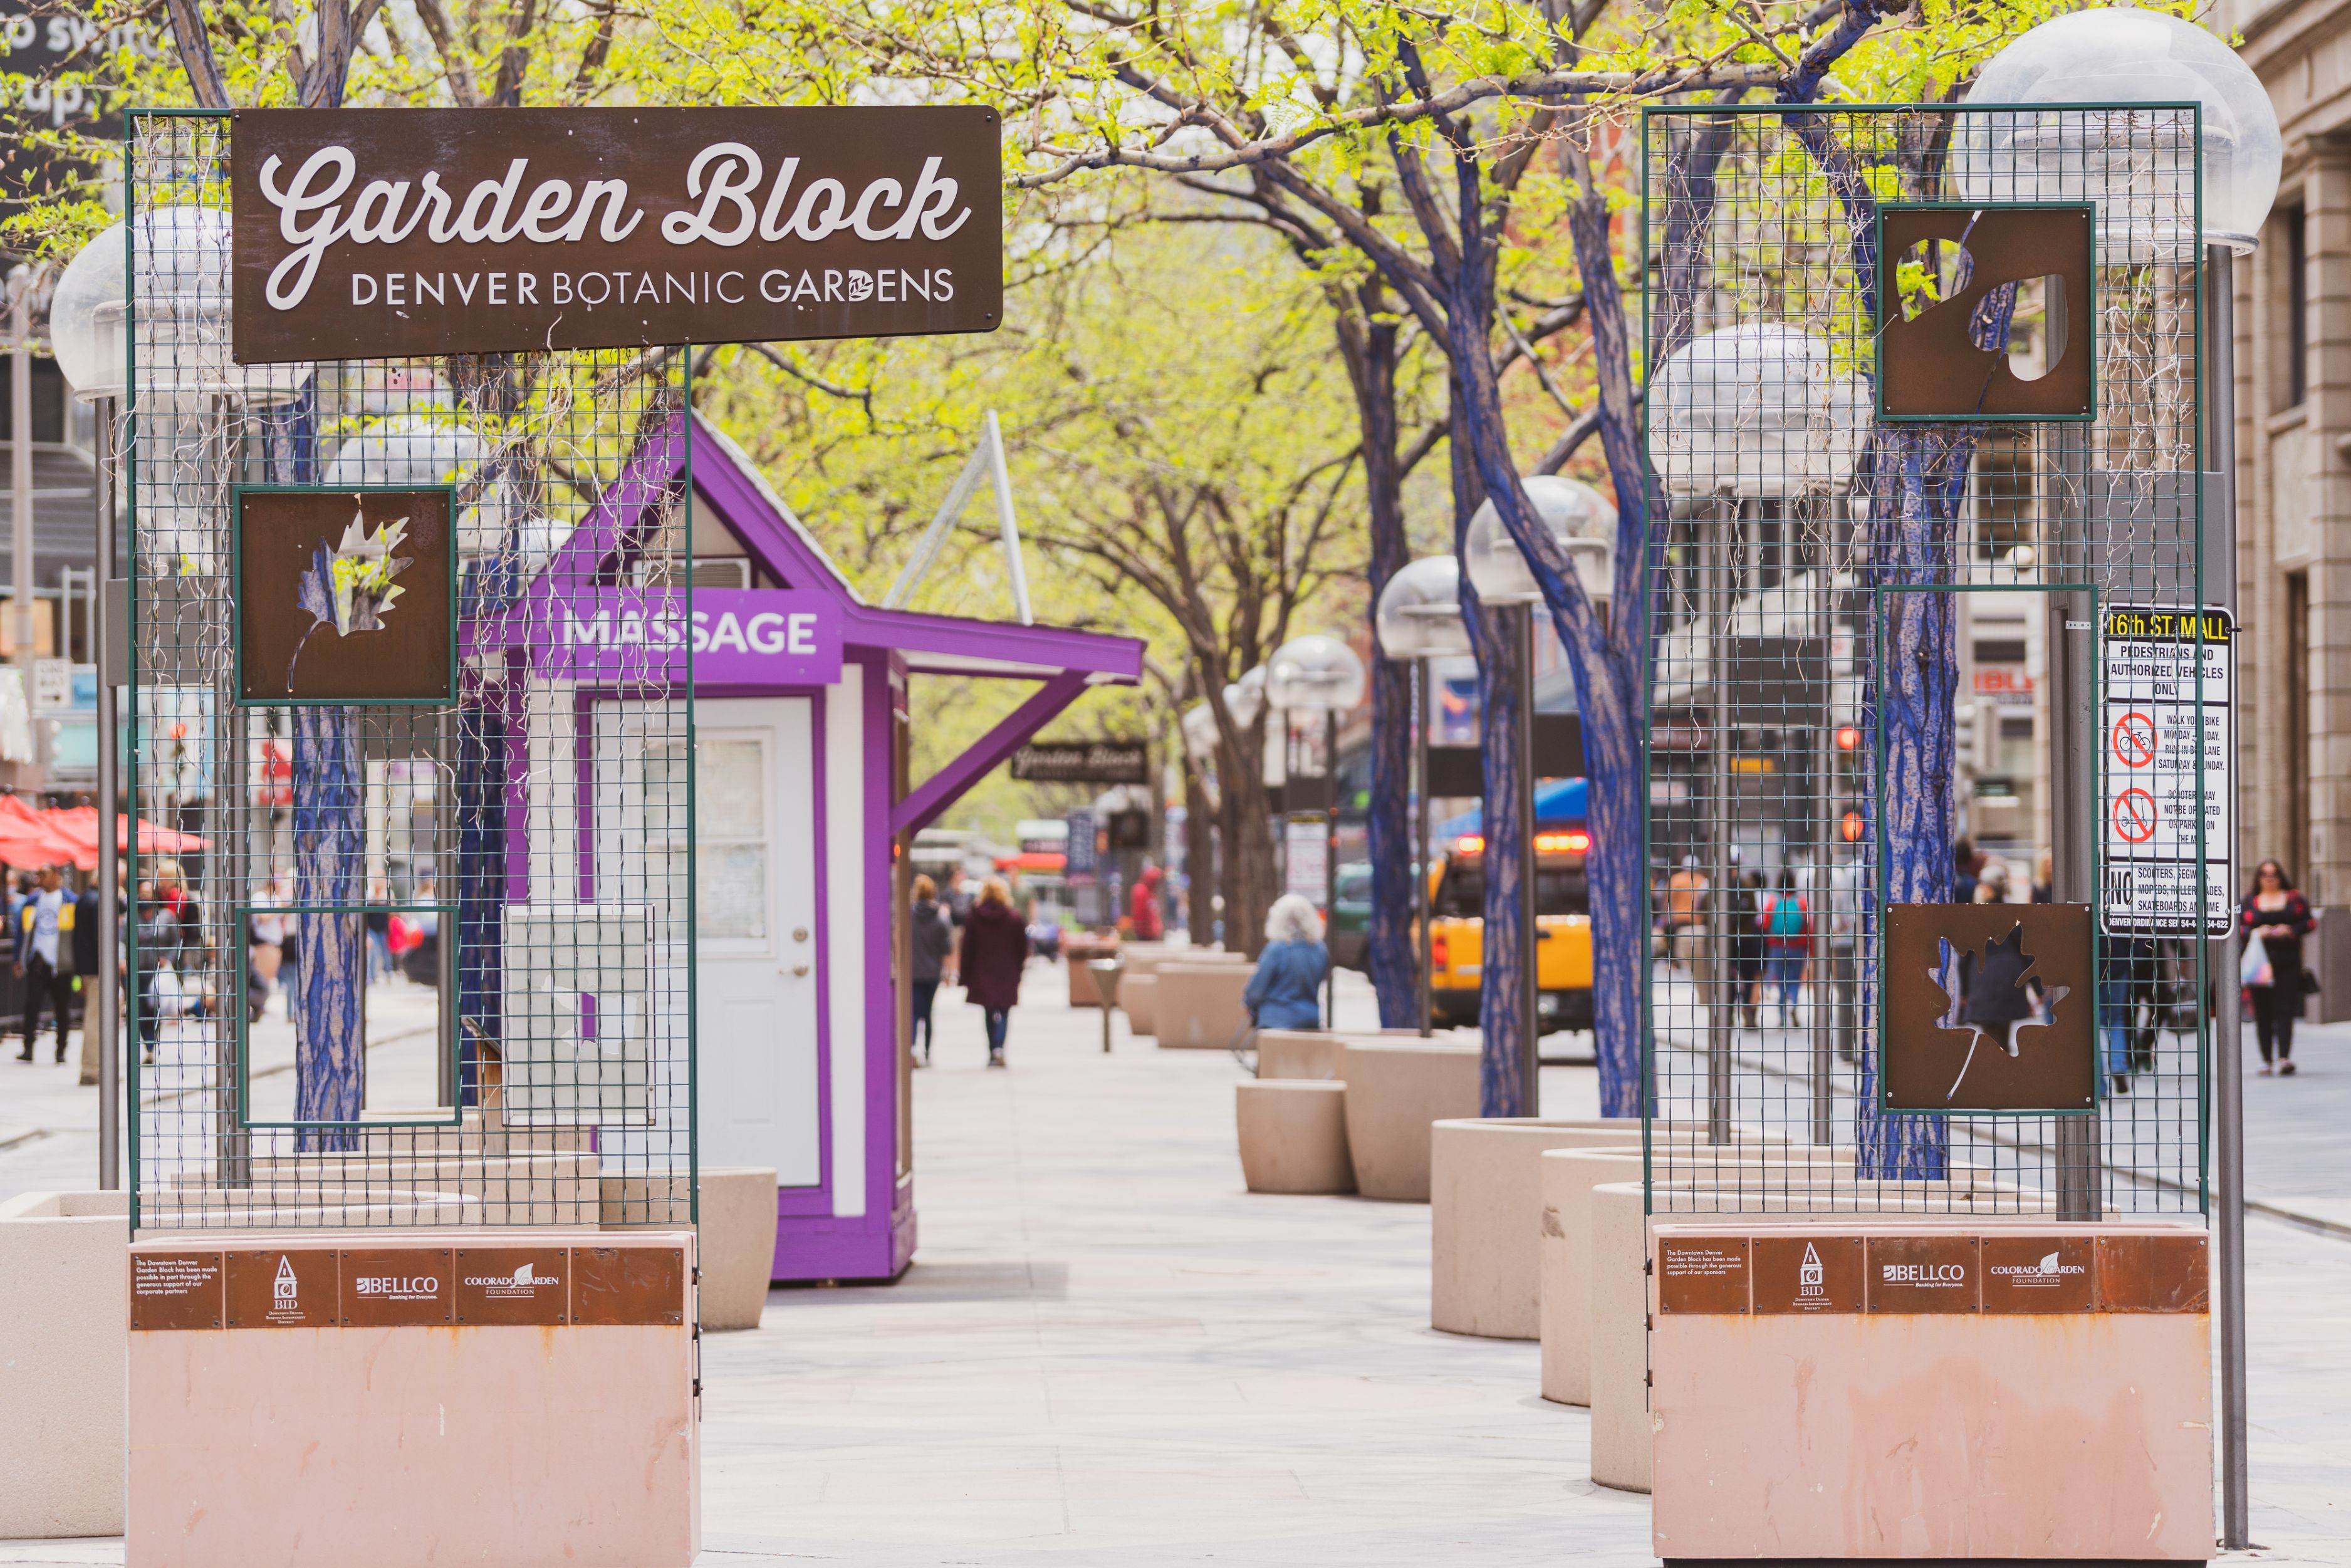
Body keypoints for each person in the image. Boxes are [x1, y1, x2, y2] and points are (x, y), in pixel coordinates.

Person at [2240, 859, 2313, 1076]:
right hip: (2259, 964)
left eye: (2274, 874)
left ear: (2281, 876)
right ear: (2259, 877)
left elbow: (2309, 923)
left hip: (2287, 962)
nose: (2269, 878)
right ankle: (2265, 1060)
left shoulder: (2294, 898)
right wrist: (2256, 932)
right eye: (2264, 874)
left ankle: (2284, 1057)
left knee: (2285, 1009)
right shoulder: (2250, 900)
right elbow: (2238, 927)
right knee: (2262, 1012)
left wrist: (2290, 930)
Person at [957, 876, 1029, 1068]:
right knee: (1004, 1011)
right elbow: (1022, 947)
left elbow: (967, 947)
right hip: (1007, 971)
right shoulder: (1014, 918)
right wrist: (1020, 968)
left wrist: (965, 974)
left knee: (989, 1011)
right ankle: (999, 1049)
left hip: (983, 970)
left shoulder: (975, 917)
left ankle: (992, 1050)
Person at [14, 866, 78, 1063]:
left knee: (62, 1008)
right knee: (32, 1005)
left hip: (61, 963)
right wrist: (19, 957)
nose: (38, 877)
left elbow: (77, 935)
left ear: (56, 875)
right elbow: (22, 933)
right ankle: (28, 1048)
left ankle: (61, 1051)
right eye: (38, 873)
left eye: (44, 873)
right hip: (38, 961)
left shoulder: (70, 901)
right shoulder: (32, 901)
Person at [1245, 894, 1330, 1032]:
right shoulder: (1320, 949)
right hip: (1310, 1018)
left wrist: (1249, 1004)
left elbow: (1256, 989)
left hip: (1277, 1019)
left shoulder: (1276, 949)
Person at [907, 874, 954, 1067]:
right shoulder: (941, 919)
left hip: (913, 972)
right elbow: (947, 950)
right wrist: (949, 973)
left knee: (913, 1012)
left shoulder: (908, 916)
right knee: (927, 1013)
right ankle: (926, 1051)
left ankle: (912, 1049)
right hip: (932, 973)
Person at [1759, 867, 1809, 1028]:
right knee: (1794, 980)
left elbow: (1765, 923)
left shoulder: (1774, 901)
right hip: (1797, 946)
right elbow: (1808, 925)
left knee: (1781, 982)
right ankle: (1793, 1005)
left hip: (1777, 946)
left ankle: (1782, 1016)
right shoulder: (1801, 901)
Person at [1726, 870, 1765, 1031]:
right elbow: (1755, 911)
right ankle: (1749, 1012)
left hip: (1726, 939)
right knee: (1749, 976)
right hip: (1747, 938)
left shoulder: (1717, 884)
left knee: (1727, 977)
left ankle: (1727, 1013)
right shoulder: (1748, 884)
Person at [1664, 857, 1710, 980]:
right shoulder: (1702, 880)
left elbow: (1668, 899)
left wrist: (1666, 915)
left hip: (1678, 917)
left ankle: (1673, 963)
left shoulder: (1676, 880)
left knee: (1673, 941)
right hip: (1696, 919)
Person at [1130, 863, 1165, 942]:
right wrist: (1142, 928)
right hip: (1145, 934)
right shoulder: (1141, 890)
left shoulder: (1151, 892)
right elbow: (1139, 912)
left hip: (1152, 933)